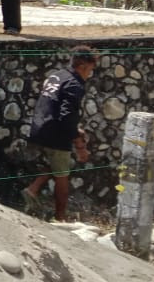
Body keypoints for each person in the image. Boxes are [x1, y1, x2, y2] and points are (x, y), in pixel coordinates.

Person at [22, 45, 96, 221]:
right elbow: (67, 116)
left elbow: (54, 106)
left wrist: (75, 131)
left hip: (40, 126)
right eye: (90, 70)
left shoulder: (57, 75)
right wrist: (80, 145)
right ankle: (60, 218)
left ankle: (33, 189)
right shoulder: (74, 84)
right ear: (83, 66)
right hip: (56, 132)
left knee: (57, 164)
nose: (89, 75)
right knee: (62, 176)